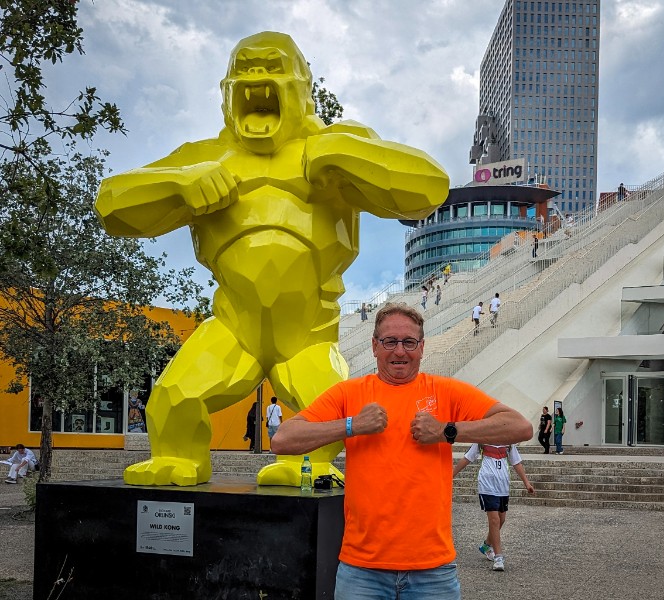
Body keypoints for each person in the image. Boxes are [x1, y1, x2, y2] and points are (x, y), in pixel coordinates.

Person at [95, 32, 449, 487]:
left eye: (271, 67)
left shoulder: (336, 145)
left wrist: (347, 156)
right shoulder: (203, 158)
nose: (257, 77)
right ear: (226, 94)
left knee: (324, 411)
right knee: (172, 398)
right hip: (232, 326)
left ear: (305, 89)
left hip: (307, 334)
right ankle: (181, 461)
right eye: (244, 68)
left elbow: (430, 188)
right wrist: (179, 186)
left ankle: (312, 465)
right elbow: (111, 204)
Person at [271, 303, 533, 599]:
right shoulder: (349, 393)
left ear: (422, 347)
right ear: (374, 346)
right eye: (390, 341)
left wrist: (448, 431)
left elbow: (520, 426)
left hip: (433, 570)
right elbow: (282, 439)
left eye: (409, 342)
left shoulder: (445, 391)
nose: (399, 351)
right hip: (362, 569)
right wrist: (351, 425)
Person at [452, 443, 535, 572]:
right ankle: (498, 557)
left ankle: (486, 546)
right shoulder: (482, 438)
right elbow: (467, 458)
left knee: (501, 520)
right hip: (487, 483)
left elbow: (516, 462)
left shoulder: (509, 440)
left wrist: (526, 483)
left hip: (503, 484)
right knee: (494, 520)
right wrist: (451, 475)